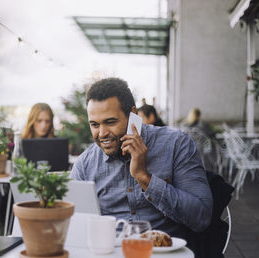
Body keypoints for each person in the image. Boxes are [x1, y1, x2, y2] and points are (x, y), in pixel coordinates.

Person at [70, 78, 213, 238]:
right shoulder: (84, 165)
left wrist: (144, 178)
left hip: (167, 255)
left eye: (110, 122)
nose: (102, 134)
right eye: (95, 125)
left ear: (132, 114)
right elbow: (75, 226)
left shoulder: (176, 144)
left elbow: (201, 218)